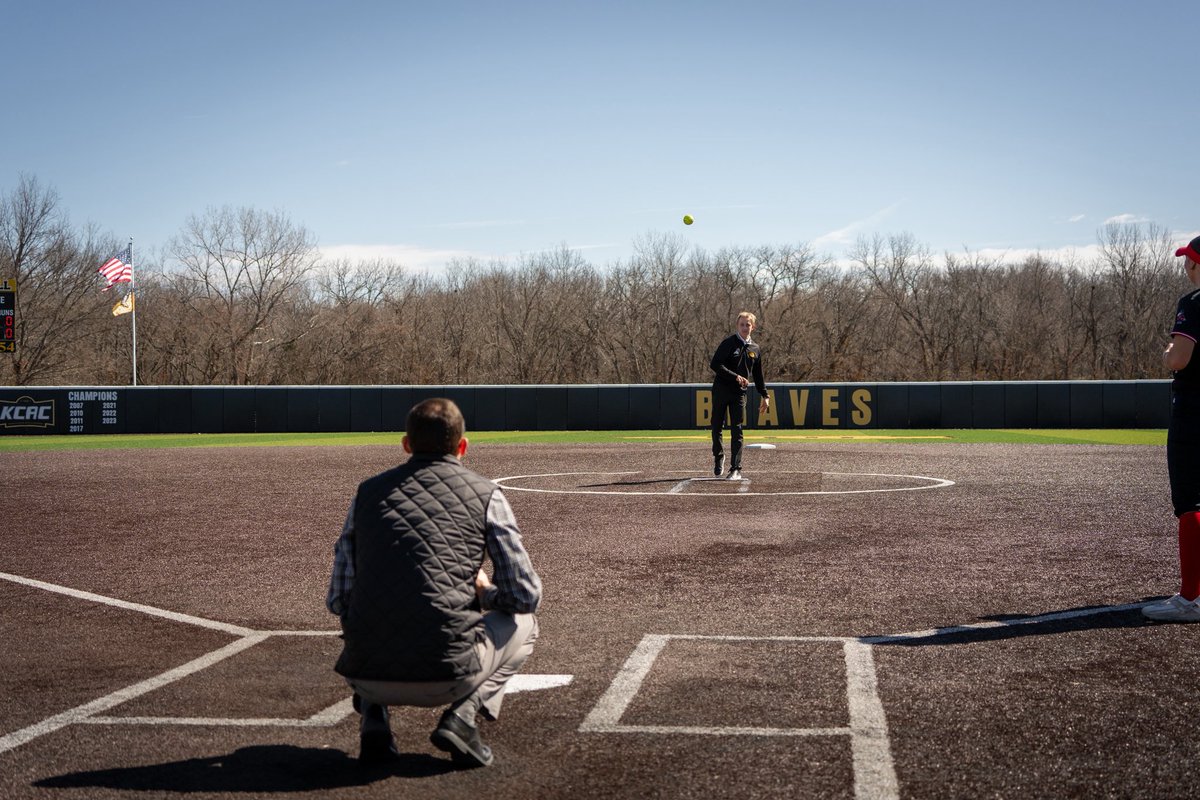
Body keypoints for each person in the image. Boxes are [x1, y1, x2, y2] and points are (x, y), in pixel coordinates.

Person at [326, 397, 542, 766]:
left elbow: (338, 599)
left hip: (365, 674)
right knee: (526, 623)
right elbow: (525, 595)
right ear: (463, 447)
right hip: (449, 675)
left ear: (406, 444)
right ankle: (462, 716)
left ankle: (374, 719)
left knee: (368, 610)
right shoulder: (486, 494)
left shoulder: (367, 493)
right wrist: (484, 592)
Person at [1145, 235, 1200, 622]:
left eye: (1190, 260)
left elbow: (1179, 359)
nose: (1187, 266)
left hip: (1195, 412)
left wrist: (1167, 354)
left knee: (1191, 503)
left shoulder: (1193, 303)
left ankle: (1192, 598)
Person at [709, 311, 770, 481]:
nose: (745, 327)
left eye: (748, 325)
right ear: (738, 326)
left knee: (737, 429)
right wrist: (734, 376)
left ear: (753, 327)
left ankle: (736, 468)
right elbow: (715, 364)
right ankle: (719, 456)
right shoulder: (729, 343)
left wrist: (765, 395)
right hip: (721, 390)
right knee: (716, 427)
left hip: (739, 394)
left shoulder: (755, 349)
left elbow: (758, 376)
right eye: (742, 324)